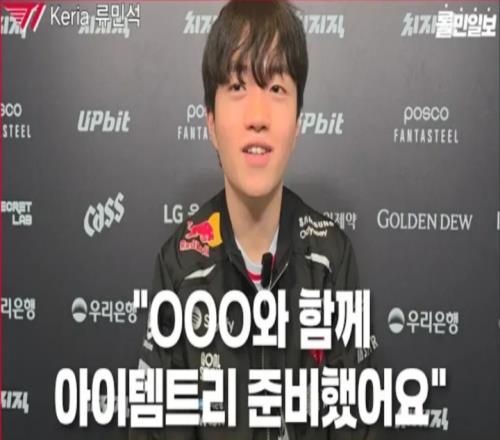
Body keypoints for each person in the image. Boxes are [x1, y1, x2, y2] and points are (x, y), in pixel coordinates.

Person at [130, 1, 375, 439]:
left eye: (276, 88)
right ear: (210, 122)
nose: (257, 118)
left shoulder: (331, 258)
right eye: (238, 86)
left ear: (298, 123)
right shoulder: (180, 265)